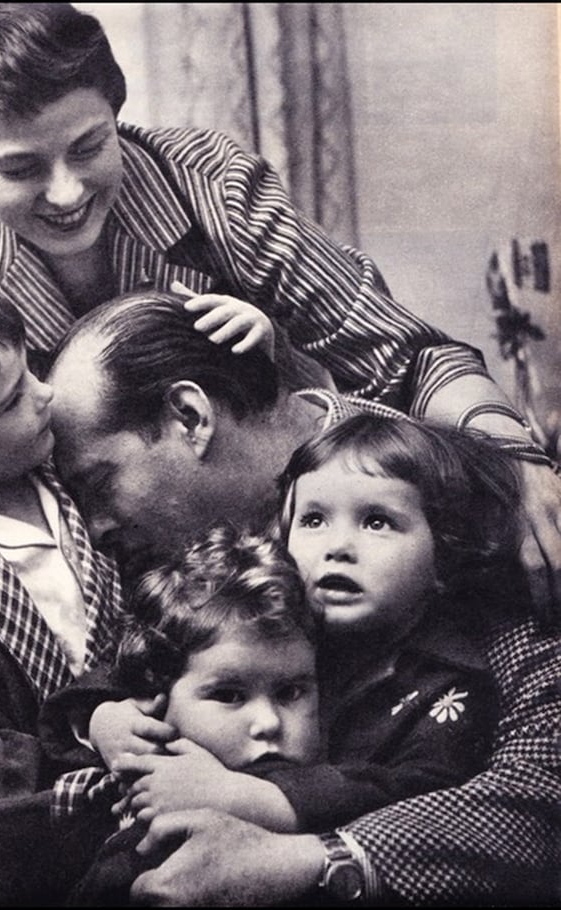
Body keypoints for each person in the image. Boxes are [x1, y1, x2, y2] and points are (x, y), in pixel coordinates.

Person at [0, 3, 559, 616]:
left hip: (294, 511)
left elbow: (408, 356)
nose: (65, 190)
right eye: (19, 169)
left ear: (116, 113)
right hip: (104, 558)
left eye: (89, 146)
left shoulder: (211, 184)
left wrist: (515, 459)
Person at [47, 290, 560, 904]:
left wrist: (314, 859)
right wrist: (102, 716)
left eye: (100, 483)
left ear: (190, 416)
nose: (97, 529)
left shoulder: (474, 507)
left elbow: (541, 788)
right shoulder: (200, 561)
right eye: (311, 522)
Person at [0, 272, 124, 907]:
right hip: (31, 837)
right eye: (12, 401)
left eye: (34, 368)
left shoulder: (60, 462)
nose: (46, 394)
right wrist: (86, 745)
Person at [44, 524, 321, 905]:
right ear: (155, 697)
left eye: (291, 692)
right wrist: (100, 717)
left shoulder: (341, 786)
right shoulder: (128, 778)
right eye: (229, 695)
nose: (269, 723)